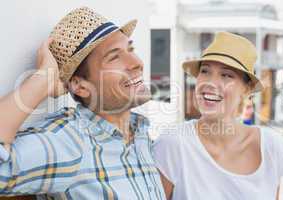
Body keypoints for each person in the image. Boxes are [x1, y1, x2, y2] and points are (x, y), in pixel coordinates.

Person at [0, 7, 165, 200]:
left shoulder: (141, 134)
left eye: (130, 49)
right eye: (114, 57)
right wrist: (43, 79)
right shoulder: (71, 141)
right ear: (80, 86)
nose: (137, 63)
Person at [153, 32, 283, 200]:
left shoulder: (272, 147)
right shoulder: (173, 145)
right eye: (205, 71)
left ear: (246, 89)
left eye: (226, 75)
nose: (210, 83)